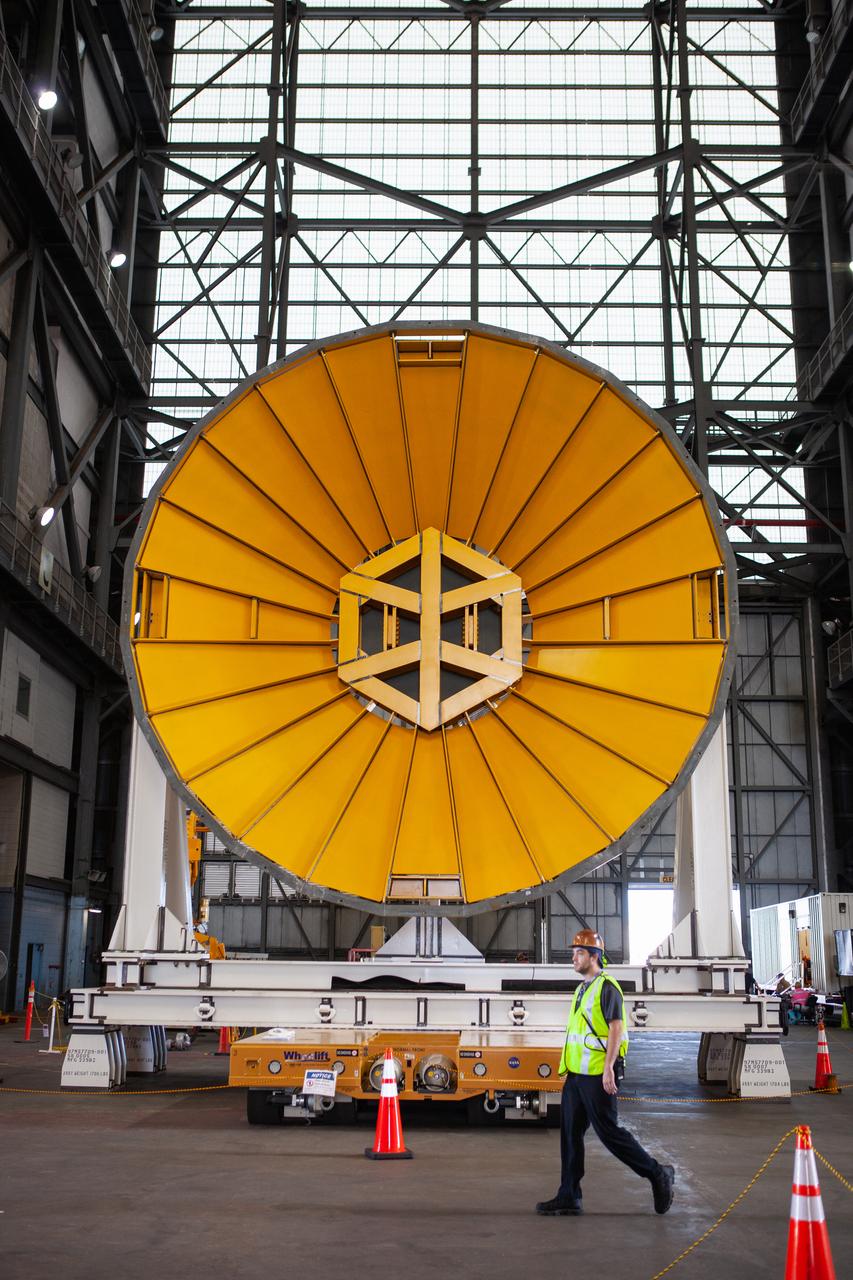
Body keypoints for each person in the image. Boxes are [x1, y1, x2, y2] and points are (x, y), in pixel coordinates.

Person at [536, 930, 675, 1217]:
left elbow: (616, 1028)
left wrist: (609, 1067)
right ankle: (569, 1195)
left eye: (579, 952)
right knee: (570, 1134)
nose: (573, 957)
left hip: (598, 1074)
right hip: (576, 1074)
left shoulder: (607, 987)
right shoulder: (581, 989)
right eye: (574, 952)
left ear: (594, 956)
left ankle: (657, 1173)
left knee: (609, 1133)